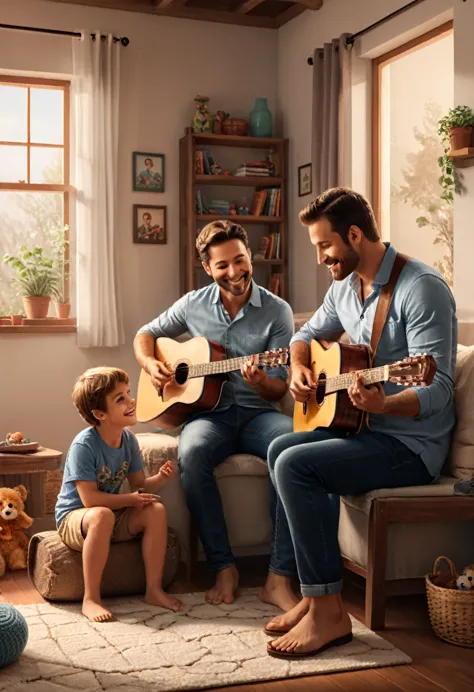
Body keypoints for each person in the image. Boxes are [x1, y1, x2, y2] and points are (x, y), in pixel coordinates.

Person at [262, 187, 457, 658]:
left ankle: (329, 614)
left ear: (354, 234)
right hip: (365, 430)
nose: (320, 257)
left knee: (295, 467)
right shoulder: (344, 287)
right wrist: (299, 368)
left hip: (409, 448)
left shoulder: (422, 288)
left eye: (324, 246)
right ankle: (314, 598)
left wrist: (385, 405)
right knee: (279, 448)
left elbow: (440, 388)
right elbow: (304, 336)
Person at [134, 220, 294, 606]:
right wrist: (150, 364)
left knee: (292, 446)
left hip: (259, 414)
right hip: (208, 416)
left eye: (240, 260)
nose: (234, 272)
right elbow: (146, 334)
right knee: (192, 453)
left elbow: (280, 385)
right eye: (222, 265)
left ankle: (279, 575)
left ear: (250, 256)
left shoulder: (277, 311)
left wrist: (260, 382)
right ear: (207, 268)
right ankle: (224, 567)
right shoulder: (193, 303)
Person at [55, 367, 182, 623]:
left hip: (110, 514)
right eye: (120, 399)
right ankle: (90, 598)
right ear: (99, 414)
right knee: (101, 515)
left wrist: (161, 478)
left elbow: (140, 487)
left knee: (155, 510)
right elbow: (90, 500)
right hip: (75, 519)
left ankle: (154, 590)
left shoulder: (129, 441)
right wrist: (130, 499)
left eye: (128, 393)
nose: (130, 401)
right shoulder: (84, 445)